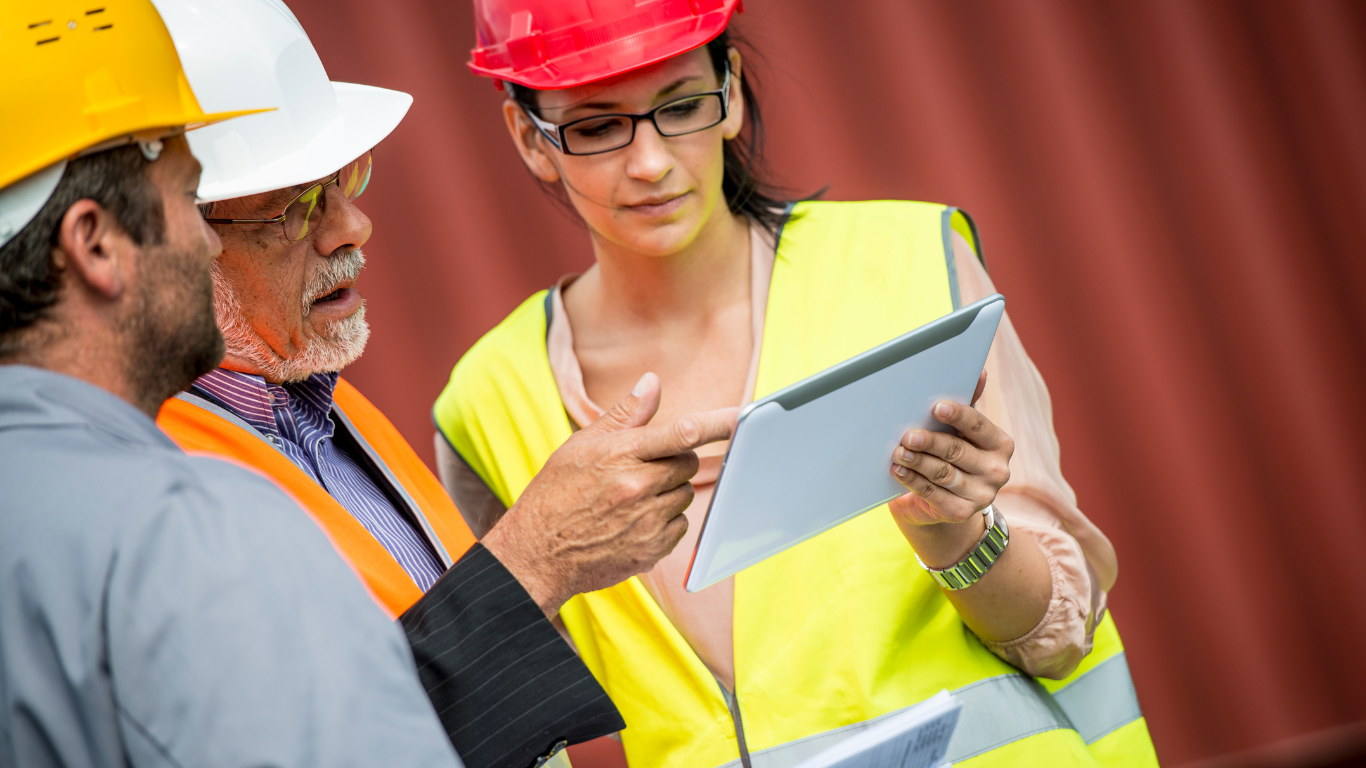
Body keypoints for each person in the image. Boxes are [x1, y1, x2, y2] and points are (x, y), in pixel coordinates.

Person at [434, 1, 1160, 767]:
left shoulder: (905, 264)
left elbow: (1060, 635)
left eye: (681, 106)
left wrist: (957, 537)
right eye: (597, 126)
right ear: (529, 138)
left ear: (733, 92)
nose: (649, 163)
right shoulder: (487, 400)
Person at [147, 3, 734, 765]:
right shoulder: (154, 491)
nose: (351, 228)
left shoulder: (328, 411)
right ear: (171, 243)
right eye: (294, 209)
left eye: (346, 182)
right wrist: (536, 560)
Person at [0, 2, 461, 765]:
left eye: (347, 180)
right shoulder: (190, 524)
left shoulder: (318, 402)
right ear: (94, 244)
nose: (204, 238)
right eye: (188, 198)